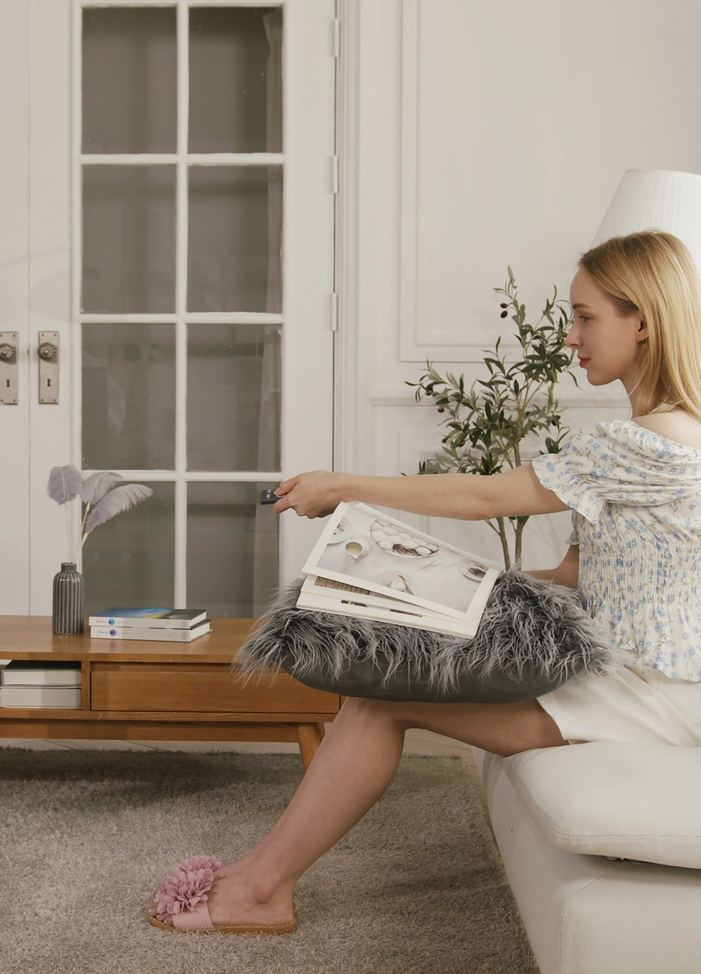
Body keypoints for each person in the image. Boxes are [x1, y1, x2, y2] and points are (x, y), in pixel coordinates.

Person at [147, 229, 701, 934]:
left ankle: (261, 891)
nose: (571, 337)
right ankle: (261, 879)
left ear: (642, 321)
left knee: (381, 705)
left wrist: (342, 486)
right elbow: (572, 576)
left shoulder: (650, 443)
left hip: (658, 696)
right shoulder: (654, 437)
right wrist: (422, 586)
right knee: (376, 689)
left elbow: (484, 496)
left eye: (585, 317)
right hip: (630, 676)